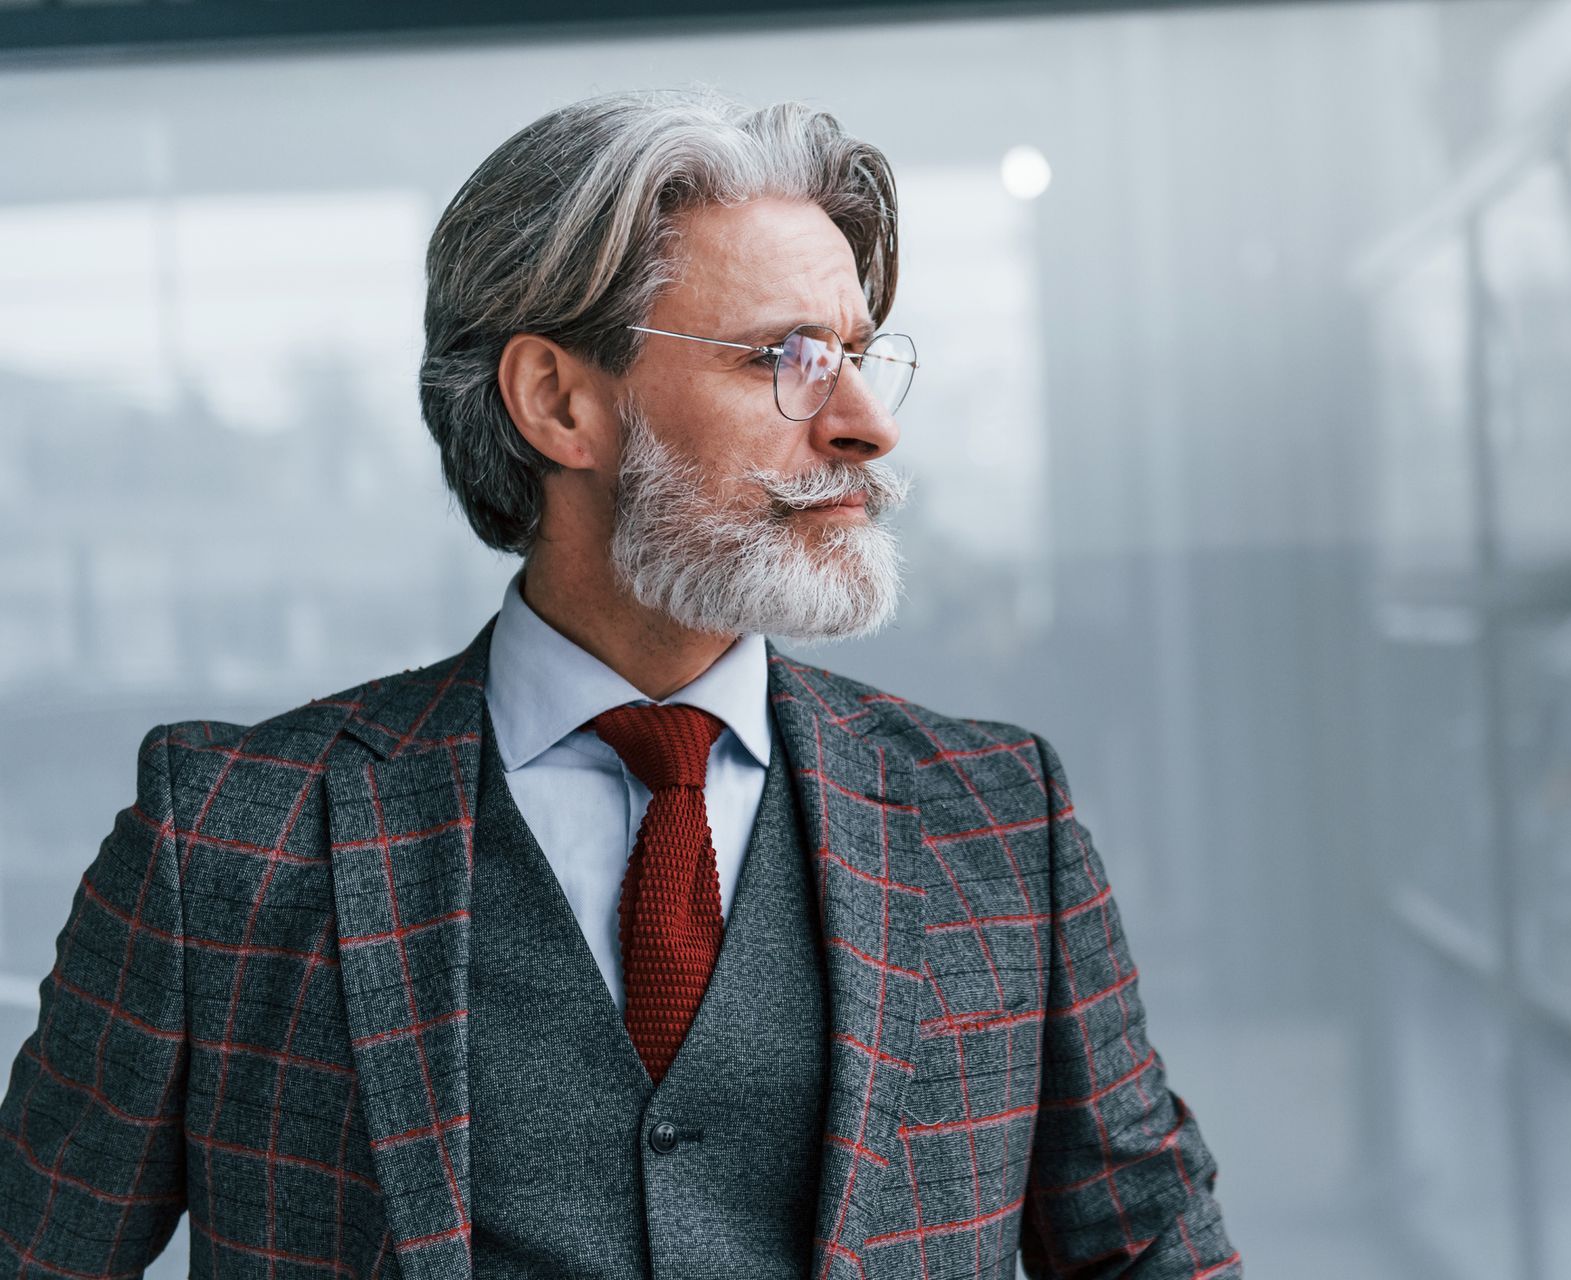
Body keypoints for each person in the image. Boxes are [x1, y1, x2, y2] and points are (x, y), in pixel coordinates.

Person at [0, 89, 1240, 1279]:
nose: (867, 421)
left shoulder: (1001, 819)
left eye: (860, 355)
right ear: (558, 401)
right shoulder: (226, 838)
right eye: (787, 357)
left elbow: (1150, 1248)